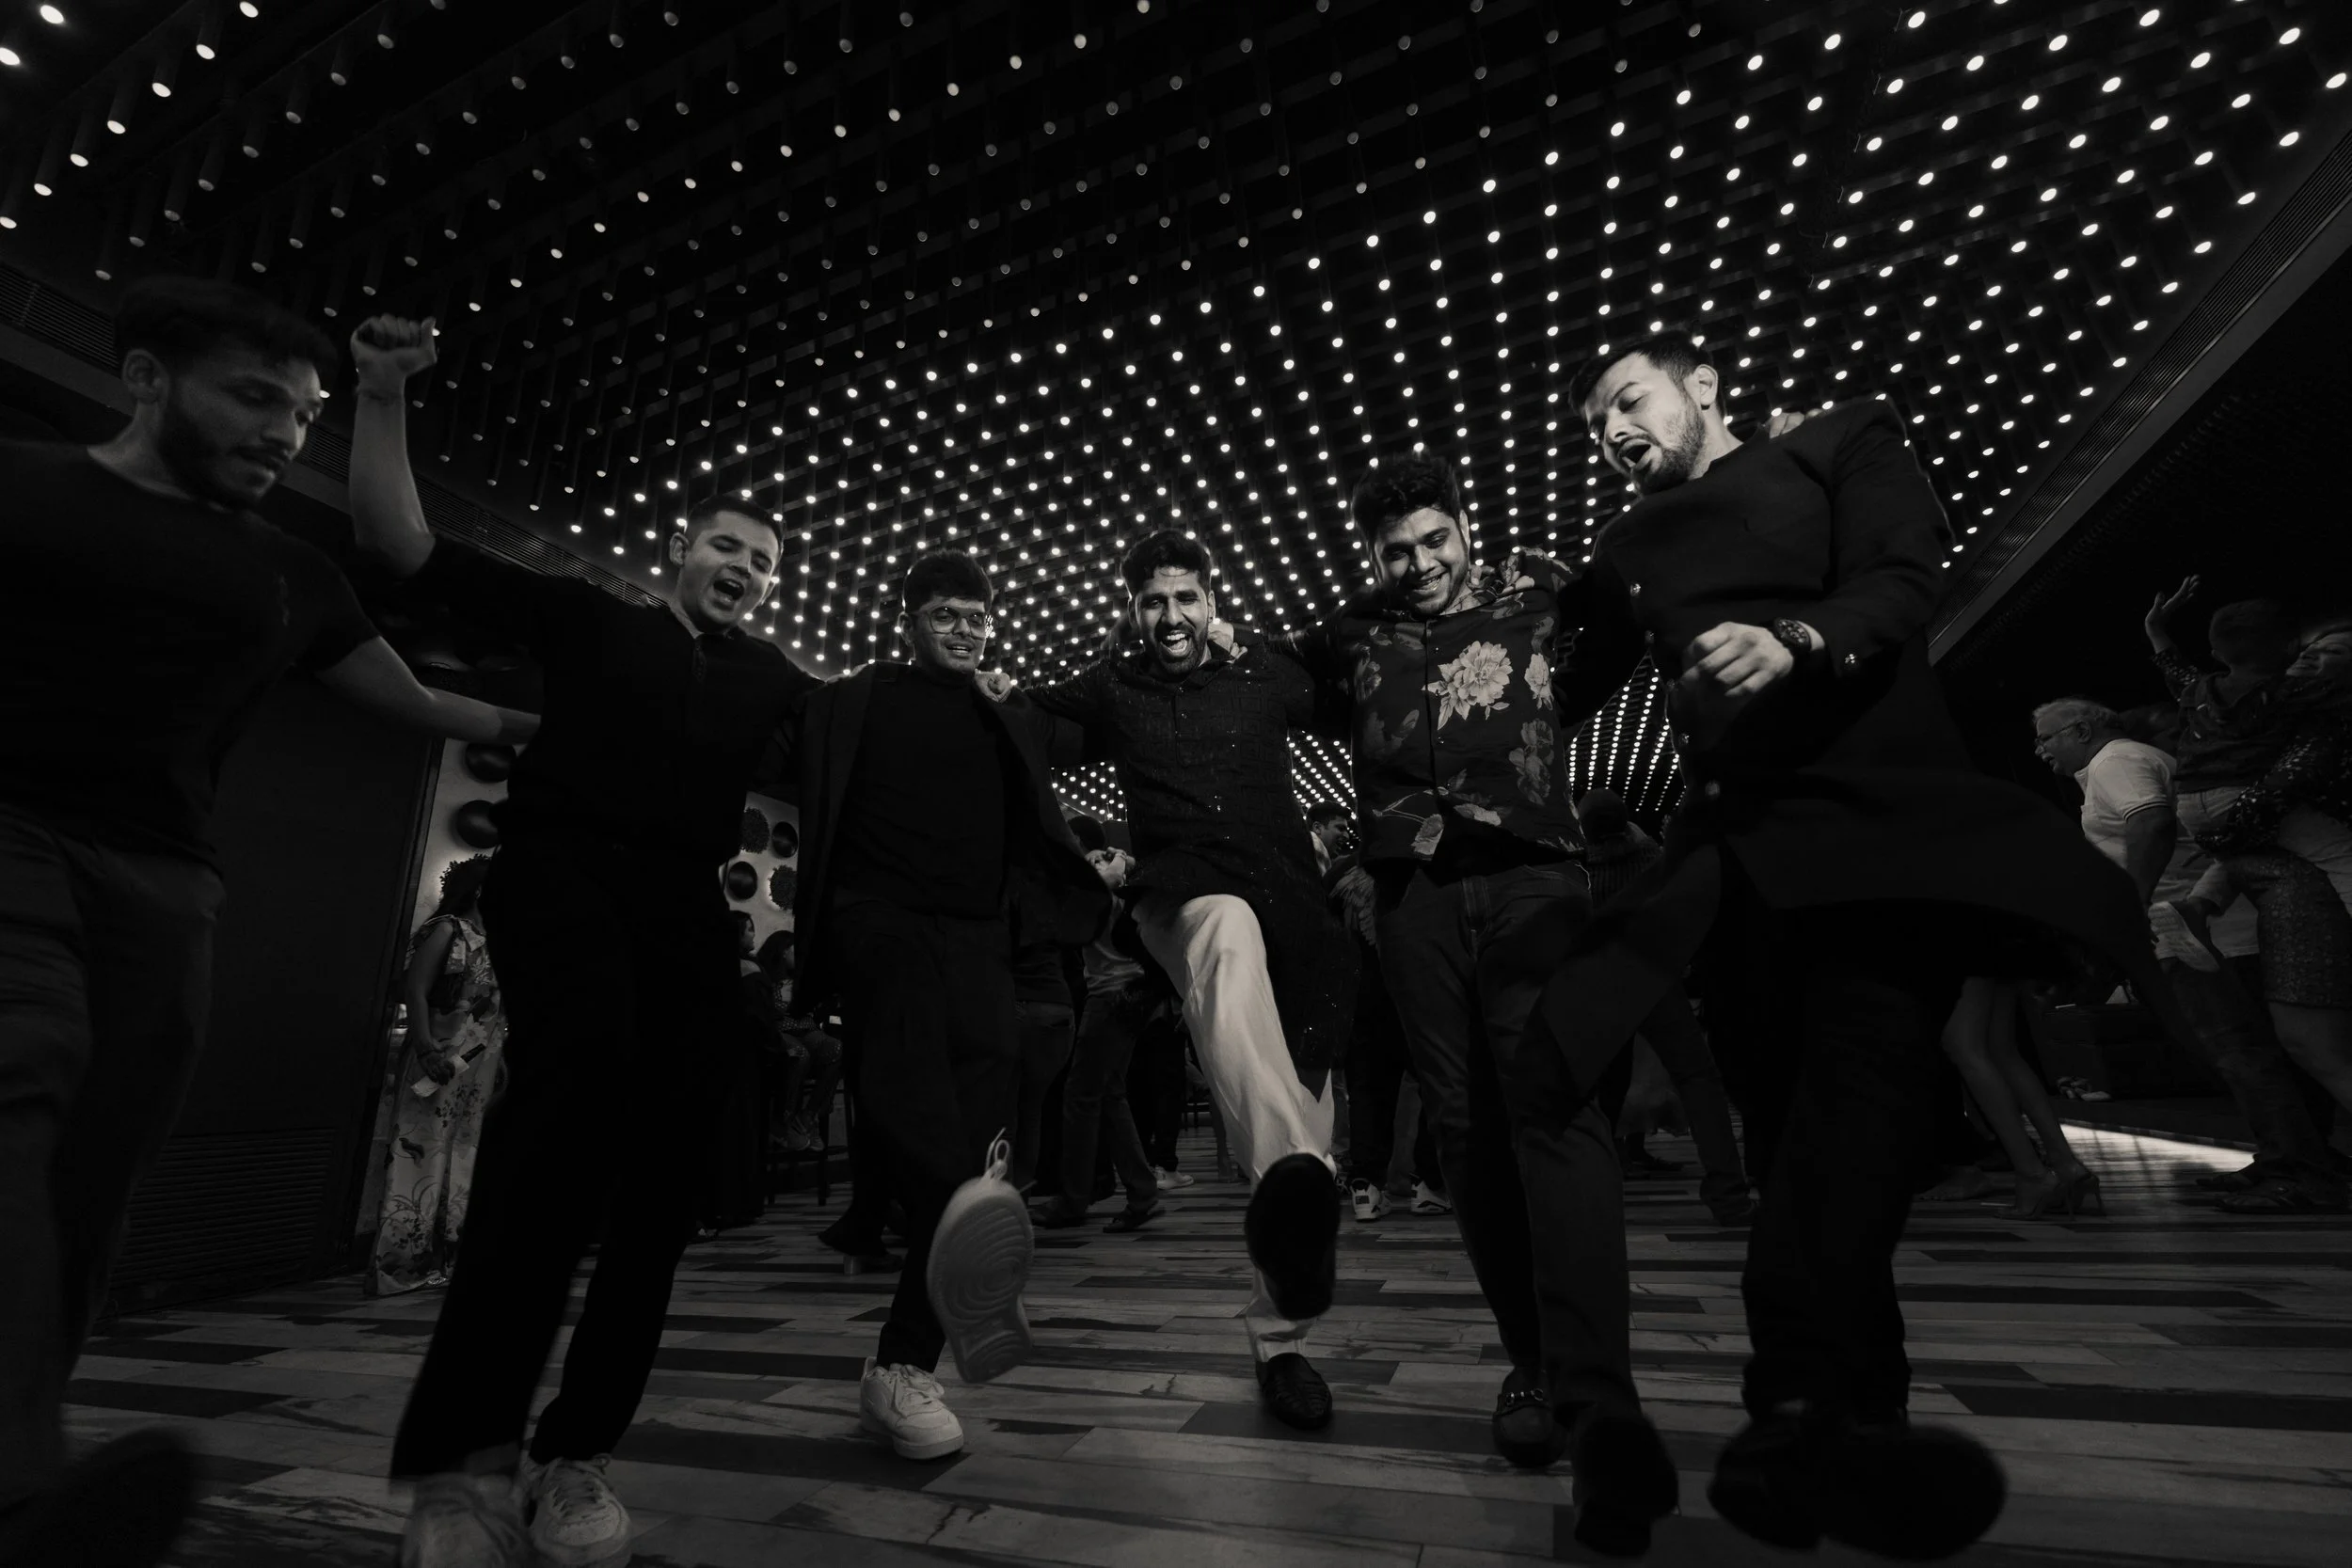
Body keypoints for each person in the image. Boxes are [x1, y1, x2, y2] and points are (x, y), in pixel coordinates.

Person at [1550, 330, 2172, 1560]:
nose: (1613, 431)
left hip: (1886, 844)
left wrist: (1796, 641)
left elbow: (1902, 578)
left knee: (1857, 1112)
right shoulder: (1625, 549)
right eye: (1595, 425)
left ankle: (1789, 1399)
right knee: (1804, 1154)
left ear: (1704, 384)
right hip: (1741, 875)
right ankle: (1852, 1420)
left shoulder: (1842, 441)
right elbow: (1559, 682)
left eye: (1627, 399)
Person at [0, 280, 532, 1568]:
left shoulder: (288, 571)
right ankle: (20, 1492)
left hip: (168, 886)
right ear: (142, 377)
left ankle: (26, 1429)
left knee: (88, 1177)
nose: (285, 432)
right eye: (254, 397)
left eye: (303, 415)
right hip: (10, 843)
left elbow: (409, 697)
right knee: (18, 1084)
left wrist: (558, 734)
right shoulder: (19, 488)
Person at [343, 316, 816, 1568]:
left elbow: (875, 756)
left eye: (761, 558)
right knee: (556, 1138)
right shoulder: (592, 615)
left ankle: (576, 1453)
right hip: (561, 883)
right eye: (725, 542)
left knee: (664, 1195)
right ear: (680, 547)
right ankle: (460, 1468)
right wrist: (383, 392)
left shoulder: (774, 678)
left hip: (685, 916)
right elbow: (400, 544)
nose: (741, 566)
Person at [1268, 454, 1672, 1552]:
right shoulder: (1352, 635)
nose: (1418, 564)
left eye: (1432, 540)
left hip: (1536, 877)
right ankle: (1531, 1364)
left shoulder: (1533, 597)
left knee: (1556, 1113)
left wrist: (1550, 718)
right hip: (1411, 901)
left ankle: (1602, 1413)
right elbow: (1264, 677)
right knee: (1466, 1134)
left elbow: (1630, 623)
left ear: (1464, 529)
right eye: (1396, 549)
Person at [1019, 529, 1358, 1433]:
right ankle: (1293, 1174)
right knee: (1227, 931)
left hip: (1299, 924)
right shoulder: (1113, 685)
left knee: (1294, 1122)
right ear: (1133, 610)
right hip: (1185, 899)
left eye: (1185, 598)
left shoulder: (1267, 674)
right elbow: (1017, 719)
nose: (1170, 616)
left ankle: (1283, 1343)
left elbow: (1341, 665)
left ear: (1211, 601)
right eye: (1153, 601)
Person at [777, 550, 1110, 1462]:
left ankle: (902, 1363)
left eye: (976, 615)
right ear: (907, 619)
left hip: (979, 945)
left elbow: (1107, 716)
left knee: (979, 1144)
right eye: (944, 614)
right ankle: (970, 1269)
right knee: (922, 1127)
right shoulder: (852, 701)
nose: (963, 629)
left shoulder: (1008, 717)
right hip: (880, 927)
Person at [1577, 788, 1753, 1226]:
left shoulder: (1577, 869)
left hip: (1597, 981)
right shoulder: (1654, 856)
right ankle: (1728, 1192)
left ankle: (1590, 1184)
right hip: (1654, 975)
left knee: (1597, 1087)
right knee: (1697, 1079)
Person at [373, 856, 508, 1294]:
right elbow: (416, 988)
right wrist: (426, 1044)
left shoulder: (495, 939)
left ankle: (448, 1258)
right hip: (438, 1055)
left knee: (463, 1154)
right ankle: (401, 1266)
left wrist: (498, 1057)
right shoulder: (447, 929)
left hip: (478, 1063)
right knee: (420, 1153)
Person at [1307, 805, 1446, 1224]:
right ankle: (1431, 1186)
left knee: (1367, 1093)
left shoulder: (1340, 876)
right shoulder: (1430, 870)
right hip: (1425, 998)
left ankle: (1366, 1189)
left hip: (1362, 1002)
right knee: (1437, 1089)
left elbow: (1322, 947)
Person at [1033, 846, 1168, 1233]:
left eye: (1097, 857)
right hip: (1132, 993)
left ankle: (1073, 1200)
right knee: (1108, 1093)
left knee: (1081, 1097)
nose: (1091, 862)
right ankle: (1141, 1191)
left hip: (1110, 996)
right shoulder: (1131, 891)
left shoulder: (1108, 891)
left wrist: (1112, 867)